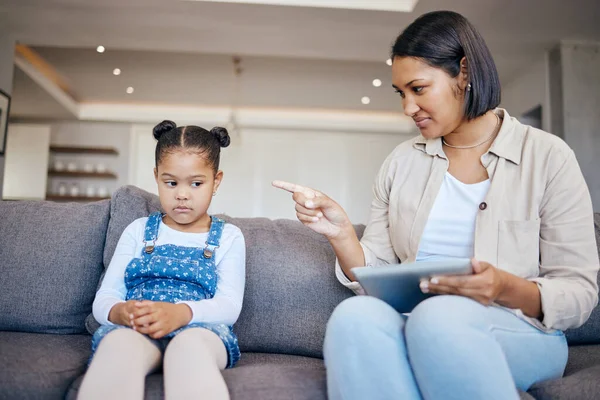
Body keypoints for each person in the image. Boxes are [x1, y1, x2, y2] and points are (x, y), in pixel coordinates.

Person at [273, 10, 599, 400]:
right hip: (414, 319)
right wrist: (342, 232)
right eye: (401, 94)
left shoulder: (547, 156)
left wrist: (503, 286)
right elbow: (374, 278)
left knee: (438, 316)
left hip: (517, 329)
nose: (408, 108)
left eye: (418, 89)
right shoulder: (400, 162)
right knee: (353, 316)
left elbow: (578, 292)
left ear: (464, 72)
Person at [78, 120, 245, 400]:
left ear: (216, 181)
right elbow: (106, 296)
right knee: (117, 345)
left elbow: (229, 306)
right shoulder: (138, 230)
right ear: (156, 177)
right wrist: (122, 312)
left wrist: (181, 313)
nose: (181, 194)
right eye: (170, 182)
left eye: (196, 183)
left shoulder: (229, 237)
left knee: (188, 350)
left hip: (200, 331)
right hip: (138, 329)